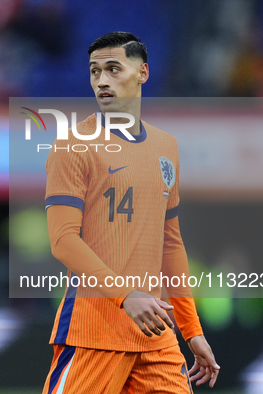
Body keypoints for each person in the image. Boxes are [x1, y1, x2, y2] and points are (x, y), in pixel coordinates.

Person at [43, 32, 220, 393]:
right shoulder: (73, 145)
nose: (102, 80)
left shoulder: (165, 146)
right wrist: (126, 296)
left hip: (156, 336)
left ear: (143, 73)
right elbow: (62, 240)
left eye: (112, 69)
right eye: (94, 72)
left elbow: (170, 245)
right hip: (94, 332)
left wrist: (191, 330)